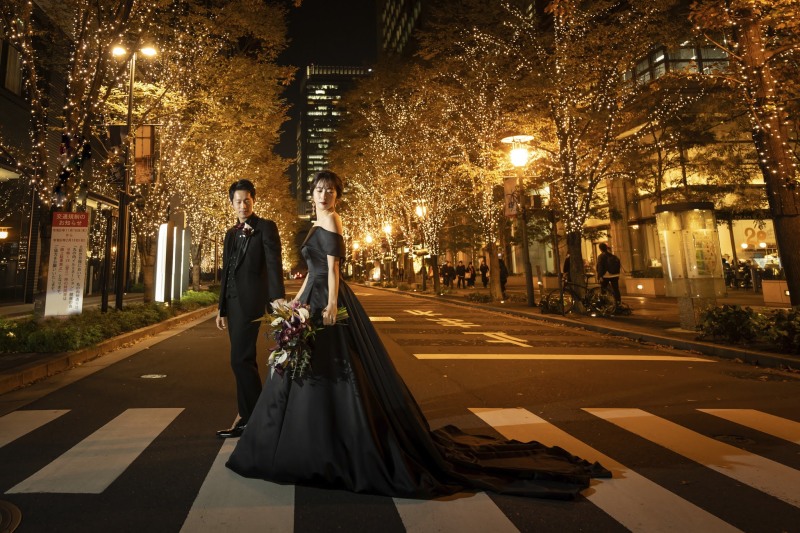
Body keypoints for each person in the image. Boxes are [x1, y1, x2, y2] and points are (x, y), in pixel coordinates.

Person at [226, 170, 608, 499]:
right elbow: (311, 269)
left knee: (340, 371)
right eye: (320, 189)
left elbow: (334, 268)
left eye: (331, 190)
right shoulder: (314, 223)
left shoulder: (334, 222)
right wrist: (297, 301)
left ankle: (337, 441)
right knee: (305, 370)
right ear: (312, 193)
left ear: (337, 195)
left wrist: (330, 306)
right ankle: (307, 439)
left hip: (331, 302)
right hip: (311, 299)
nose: (325, 195)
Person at [216, 179, 285, 438]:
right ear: (231, 203)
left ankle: (252, 418)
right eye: (237, 201)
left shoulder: (265, 227)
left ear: (253, 201)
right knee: (241, 360)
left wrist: (277, 297)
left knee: (239, 359)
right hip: (233, 304)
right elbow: (227, 272)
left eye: (247, 200)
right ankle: (251, 416)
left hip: (251, 302)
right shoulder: (231, 233)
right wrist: (221, 308)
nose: (242, 205)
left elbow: (273, 261)